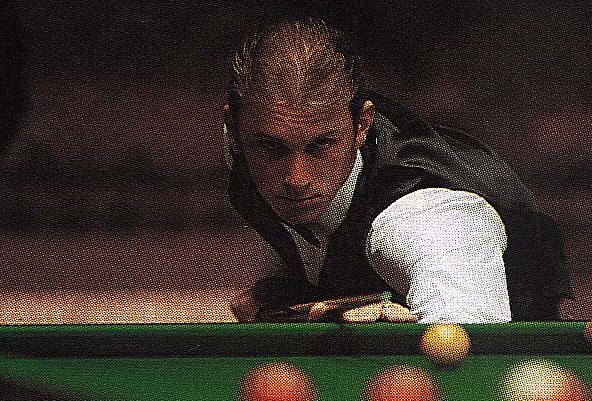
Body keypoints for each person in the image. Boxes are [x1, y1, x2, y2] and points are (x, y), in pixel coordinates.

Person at [222, 18, 571, 324]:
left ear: (362, 125)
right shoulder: (244, 146)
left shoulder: (423, 220)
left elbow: (459, 340)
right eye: (271, 147)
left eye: (321, 145)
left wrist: (399, 339)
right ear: (234, 131)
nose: (296, 179)